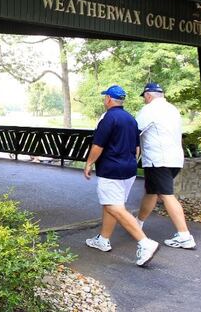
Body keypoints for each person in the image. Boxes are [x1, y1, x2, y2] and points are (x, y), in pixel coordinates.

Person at [83, 85, 159, 267]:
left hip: (111, 169)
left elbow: (98, 145)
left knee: (114, 206)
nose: (104, 101)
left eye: (105, 98)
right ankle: (103, 239)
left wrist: (88, 163)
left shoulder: (108, 118)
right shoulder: (131, 119)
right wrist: (130, 162)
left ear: (109, 99)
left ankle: (145, 242)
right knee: (114, 204)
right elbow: (137, 148)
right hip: (128, 169)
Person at [135, 83, 196, 249]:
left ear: (148, 95)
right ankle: (137, 224)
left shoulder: (150, 109)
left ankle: (184, 235)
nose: (144, 100)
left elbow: (135, 129)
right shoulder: (172, 109)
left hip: (158, 159)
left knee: (166, 194)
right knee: (151, 192)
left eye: (144, 97)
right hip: (175, 159)